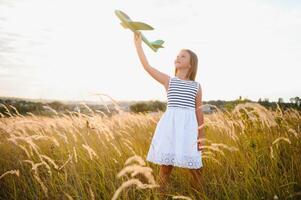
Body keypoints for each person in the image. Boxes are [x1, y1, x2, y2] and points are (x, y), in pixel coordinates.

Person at [133, 31, 205, 194]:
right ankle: (160, 195)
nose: (178, 58)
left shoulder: (196, 86)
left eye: (183, 56)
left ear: (191, 64)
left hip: (188, 131)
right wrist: (138, 45)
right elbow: (147, 67)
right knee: (165, 169)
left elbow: (199, 112)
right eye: (178, 55)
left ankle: (198, 196)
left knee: (196, 169)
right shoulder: (169, 80)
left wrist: (201, 136)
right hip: (170, 129)